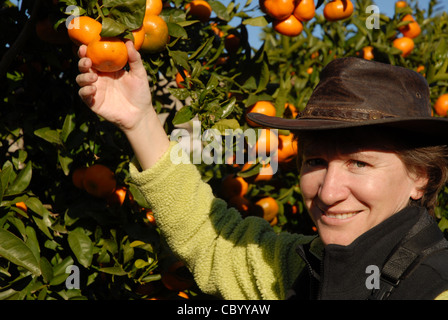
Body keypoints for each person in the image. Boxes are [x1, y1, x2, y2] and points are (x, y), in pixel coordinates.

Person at [76, 41, 448, 300]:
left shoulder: (434, 286)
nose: (329, 192)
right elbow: (213, 242)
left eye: (359, 163)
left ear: (421, 177)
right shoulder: (301, 268)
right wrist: (140, 120)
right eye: (316, 162)